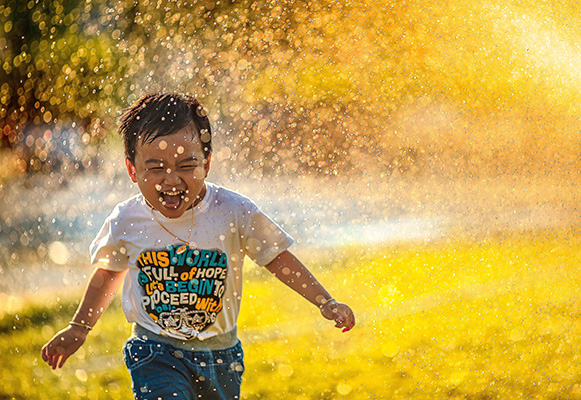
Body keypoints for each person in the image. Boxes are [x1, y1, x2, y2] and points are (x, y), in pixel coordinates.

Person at [40, 93, 355, 400]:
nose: (171, 179)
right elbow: (108, 274)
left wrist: (324, 301)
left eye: (186, 165)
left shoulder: (233, 211)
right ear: (132, 170)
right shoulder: (127, 219)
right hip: (155, 350)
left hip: (221, 355)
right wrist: (79, 327)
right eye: (156, 167)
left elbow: (277, 257)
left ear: (207, 163)